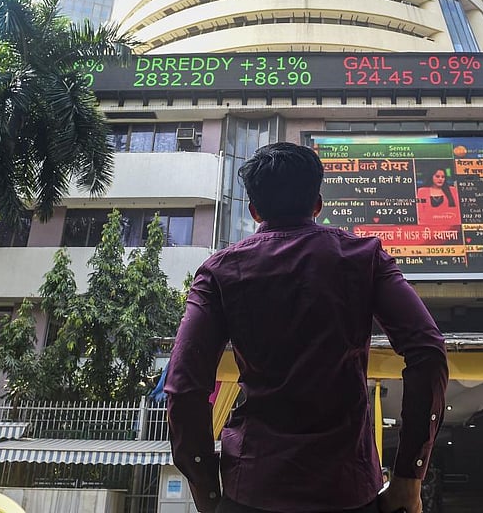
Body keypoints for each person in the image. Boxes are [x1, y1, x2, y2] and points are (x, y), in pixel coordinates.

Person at [164, 142, 449, 513]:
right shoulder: (365, 258)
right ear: (317, 204)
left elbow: (184, 385)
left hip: (252, 489)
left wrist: (206, 489)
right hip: (349, 491)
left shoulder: (219, 272)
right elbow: (428, 351)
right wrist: (409, 478)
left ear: (254, 210)